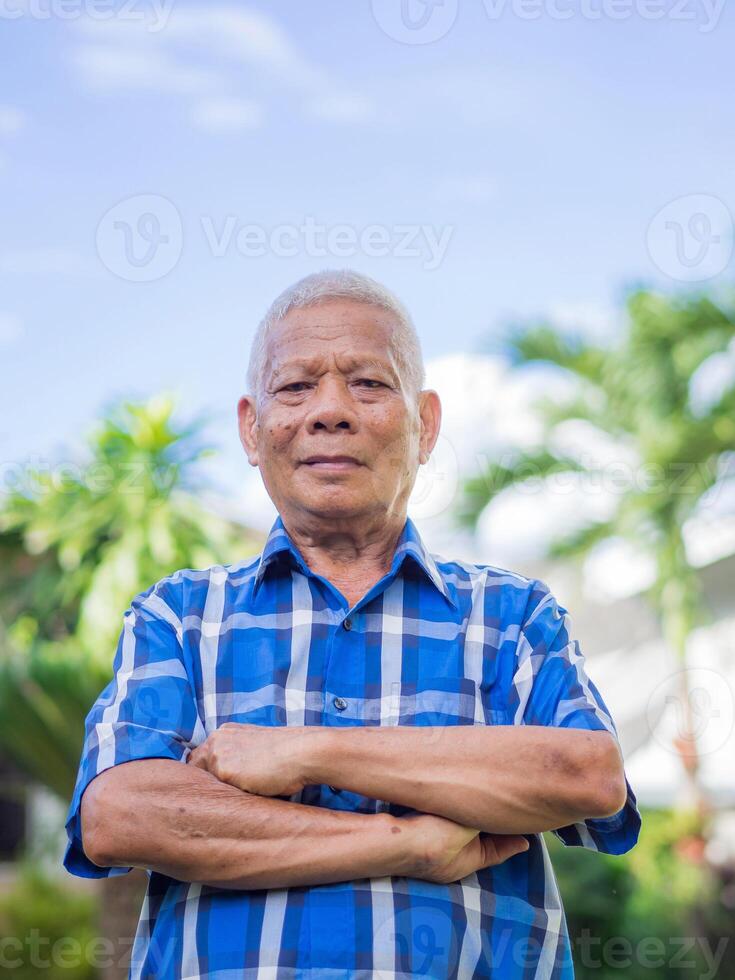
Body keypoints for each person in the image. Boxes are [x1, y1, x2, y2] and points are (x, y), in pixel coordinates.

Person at [64, 269, 641, 979]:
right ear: (252, 427)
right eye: (295, 387)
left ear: (424, 424)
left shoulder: (511, 615)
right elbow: (122, 815)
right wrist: (407, 842)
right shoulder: (178, 616)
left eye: (368, 383)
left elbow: (585, 776)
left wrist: (308, 752)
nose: (329, 410)